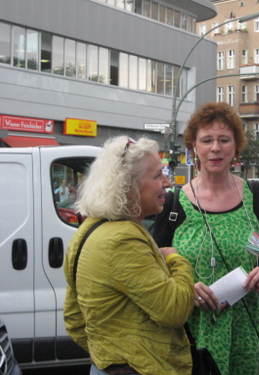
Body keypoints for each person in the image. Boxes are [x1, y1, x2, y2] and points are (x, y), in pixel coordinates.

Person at [153, 102, 259, 375]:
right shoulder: (173, 204)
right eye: (207, 140)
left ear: (235, 146)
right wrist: (185, 289)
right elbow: (153, 267)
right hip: (193, 334)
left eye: (223, 140)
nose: (215, 148)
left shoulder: (256, 197)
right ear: (194, 146)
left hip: (249, 332)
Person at [63, 136, 195, 375]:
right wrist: (176, 260)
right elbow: (174, 310)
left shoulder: (87, 230)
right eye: (157, 176)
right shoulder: (123, 240)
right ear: (129, 186)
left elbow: (74, 320)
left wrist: (108, 351)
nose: (166, 182)